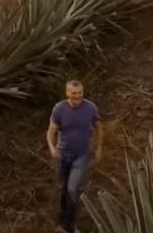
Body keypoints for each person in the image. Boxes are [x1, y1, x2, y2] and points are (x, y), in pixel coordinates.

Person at [46, 79, 103, 233]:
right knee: (63, 188)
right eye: (73, 93)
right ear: (67, 93)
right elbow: (51, 131)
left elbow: (99, 128)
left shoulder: (91, 108)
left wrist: (98, 149)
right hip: (63, 154)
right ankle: (63, 217)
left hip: (82, 155)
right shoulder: (59, 109)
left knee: (72, 188)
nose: (77, 96)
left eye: (79, 93)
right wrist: (52, 147)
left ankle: (68, 225)